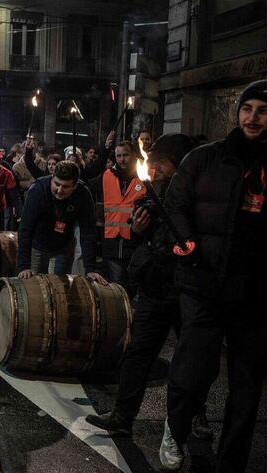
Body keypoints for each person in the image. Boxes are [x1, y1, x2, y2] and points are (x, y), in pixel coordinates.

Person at [160, 80, 267, 473]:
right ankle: (174, 426)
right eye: (246, 108)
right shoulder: (205, 158)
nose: (252, 117)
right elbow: (176, 205)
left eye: (262, 111)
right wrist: (187, 243)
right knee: (194, 370)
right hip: (206, 285)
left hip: (260, 296)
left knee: (246, 394)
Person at [86, 134, 210, 436]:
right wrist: (140, 230)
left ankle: (197, 415)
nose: (153, 171)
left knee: (193, 356)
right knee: (138, 352)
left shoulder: (197, 194)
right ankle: (123, 415)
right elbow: (146, 235)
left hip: (188, 287)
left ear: (177, 164)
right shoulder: (153, 194)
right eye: (150, 164)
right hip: (156, 286)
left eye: (159, 165)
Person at [17, 161, 106, 283]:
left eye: (66, 187)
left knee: (61, 286)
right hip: (38, 244)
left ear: (75, 185)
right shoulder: (38, 190)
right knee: (34, 286)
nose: (59, 190)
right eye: (57, 184)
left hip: (64, 245)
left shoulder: (83, 193)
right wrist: (24, 266)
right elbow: (25, 228)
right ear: (52, 177)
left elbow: (88, 232)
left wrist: (90, 269)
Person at [90, 140, 144, 288]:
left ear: (133, 155)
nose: (122, 159)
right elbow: (87, 178)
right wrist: (104, 151)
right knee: (118, 285)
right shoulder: (107, 175)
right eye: (118, 155)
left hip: (135, 240)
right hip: (112, 241)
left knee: (135, 283)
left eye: (125, 155)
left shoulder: (144, 176)